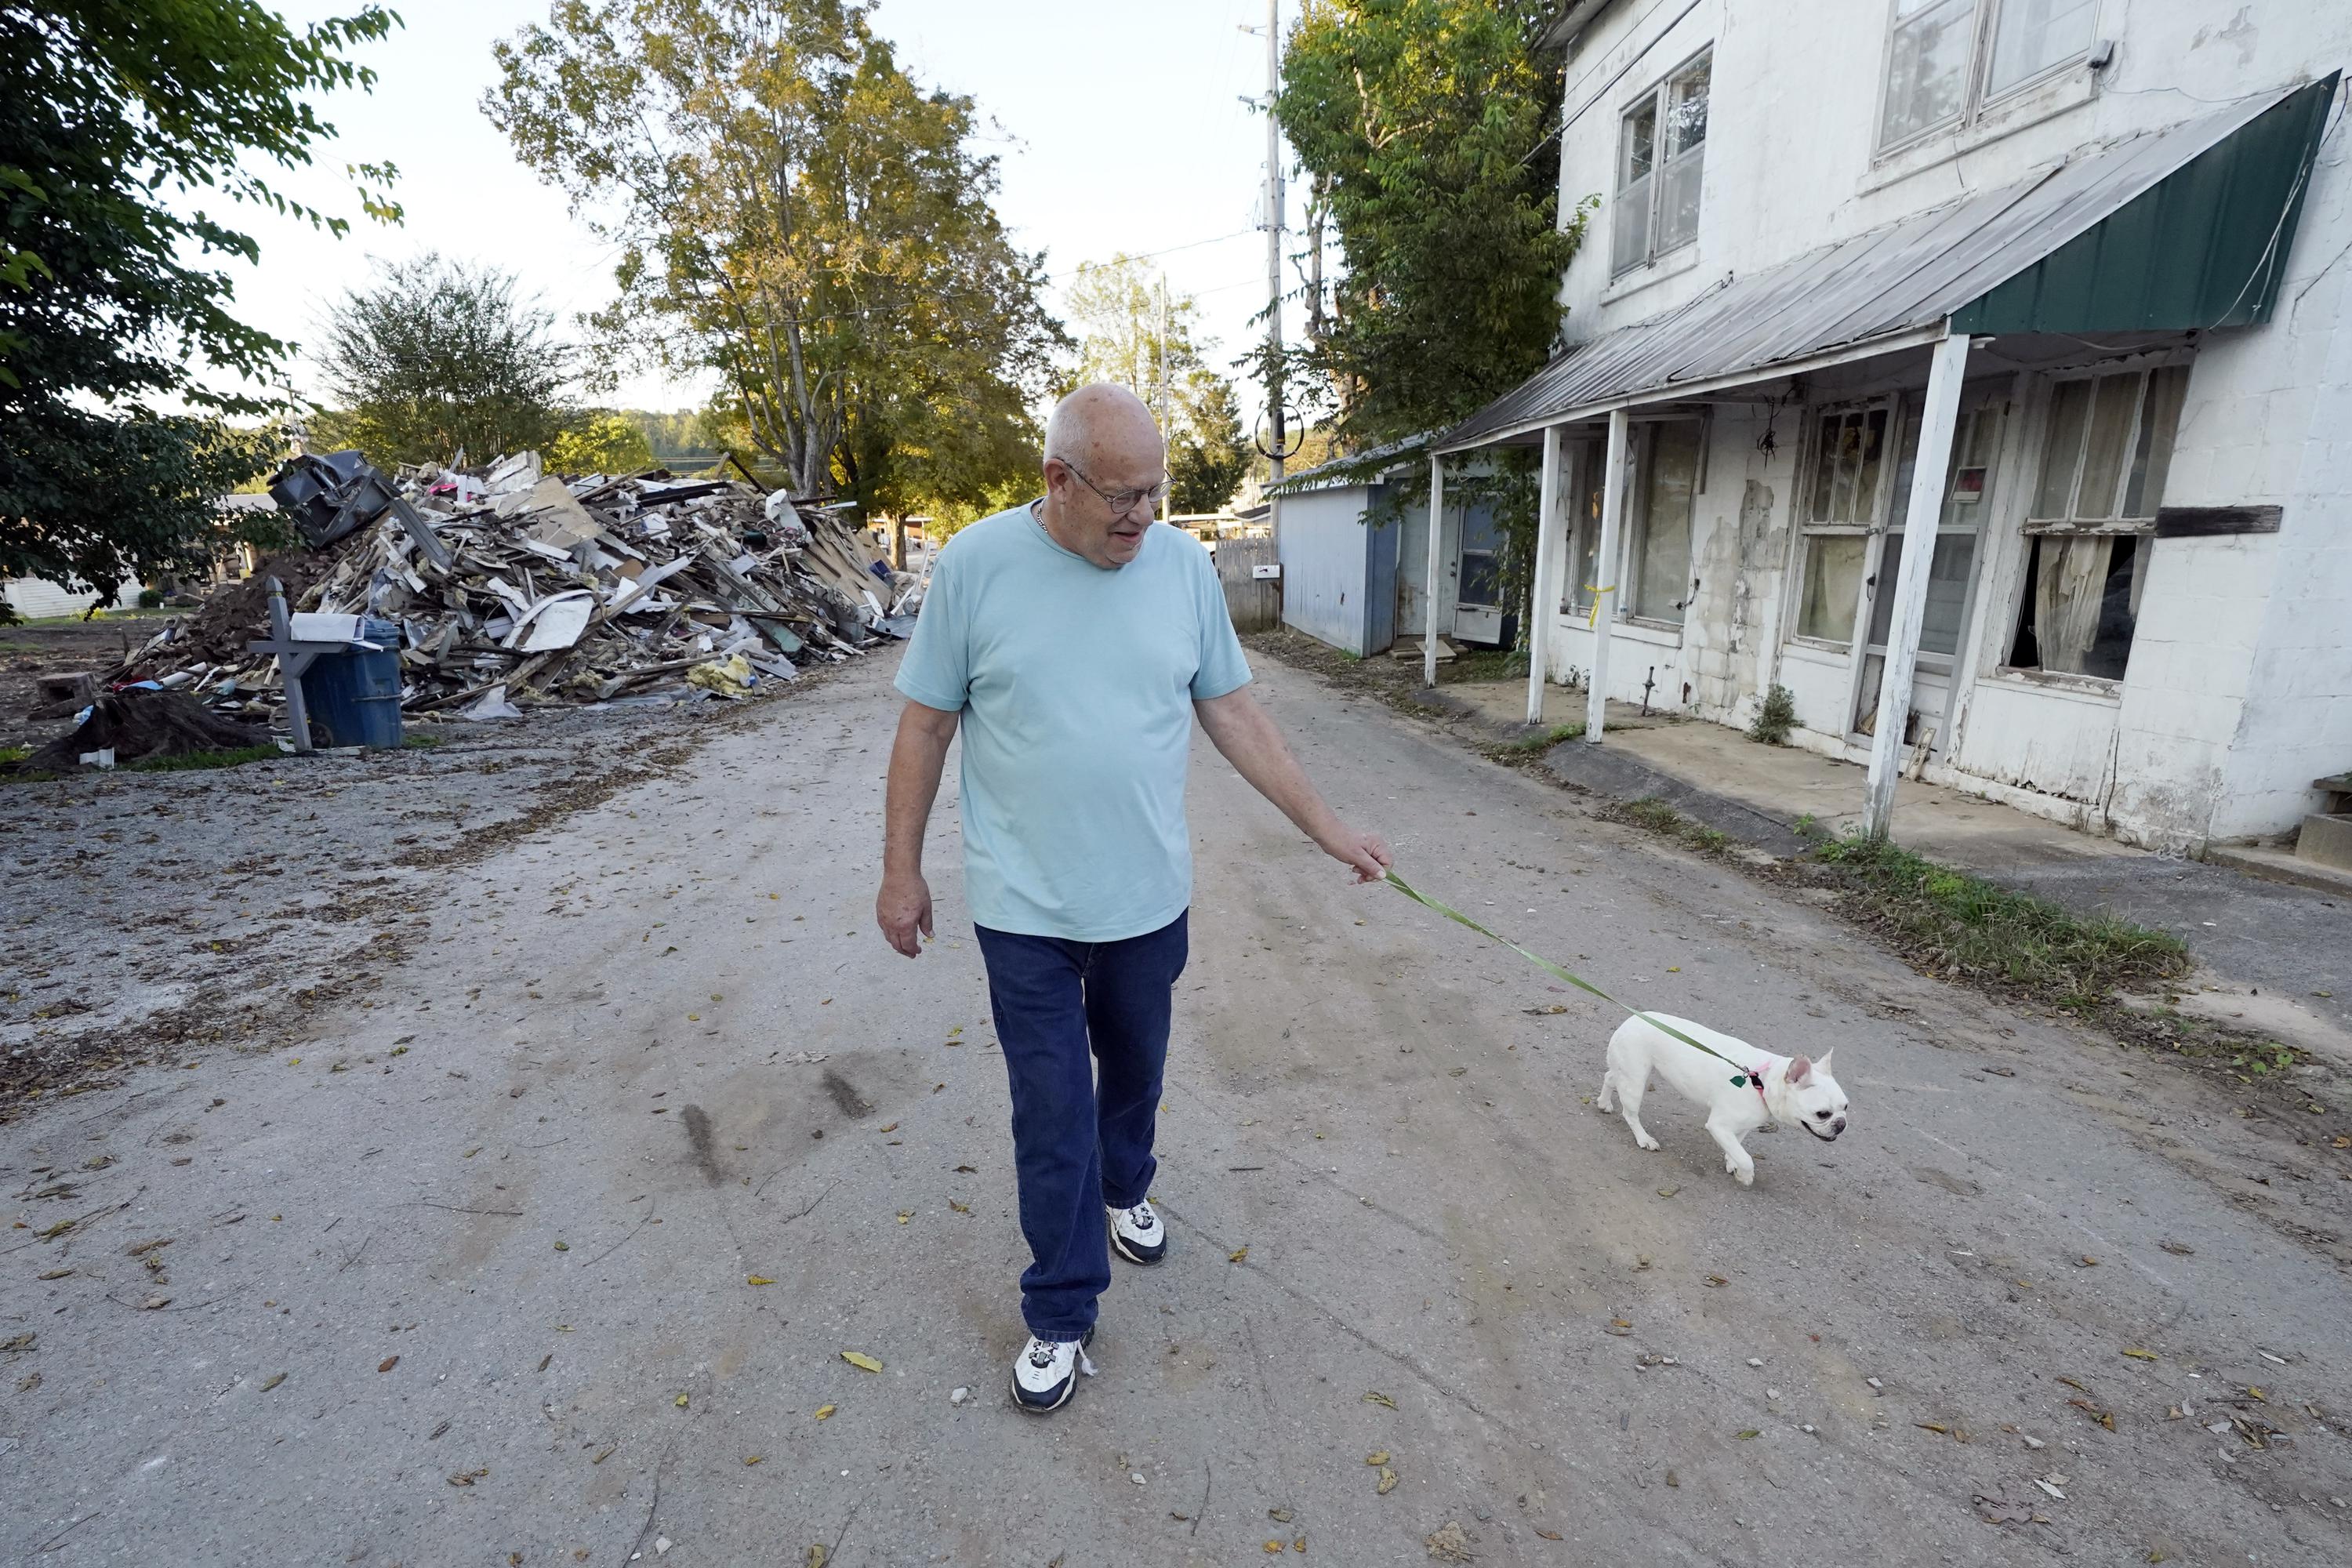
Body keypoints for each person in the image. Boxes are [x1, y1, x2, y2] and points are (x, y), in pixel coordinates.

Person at [876, 383, 1391, 1414]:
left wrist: (1327, 826)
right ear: (1057, 482)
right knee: (1051, 1112)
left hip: (1147, 901)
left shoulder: (1182, 570)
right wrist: (902, 867)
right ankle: (1061, 1313)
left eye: (1155, 494)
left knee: (1136, 1078)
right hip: (1024, 909)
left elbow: (1234, 711)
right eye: (1123, 496)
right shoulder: (976, 566)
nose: (1143, 517)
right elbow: (925, 727)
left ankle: (1126, 1185)